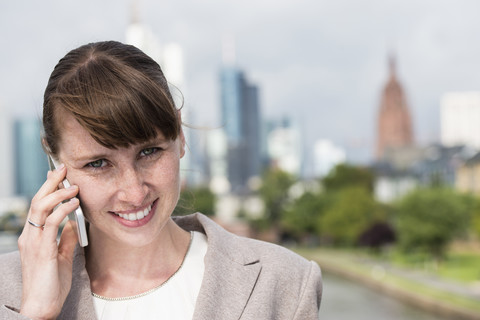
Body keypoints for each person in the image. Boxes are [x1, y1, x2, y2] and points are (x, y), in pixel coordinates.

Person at [0, 40, 322, 320]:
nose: (134, 192)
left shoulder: (284, 282)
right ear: (56, 161)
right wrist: (36, 314)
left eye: (149, 151)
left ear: (180, 136)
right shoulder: (8, 290)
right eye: (98, 163)